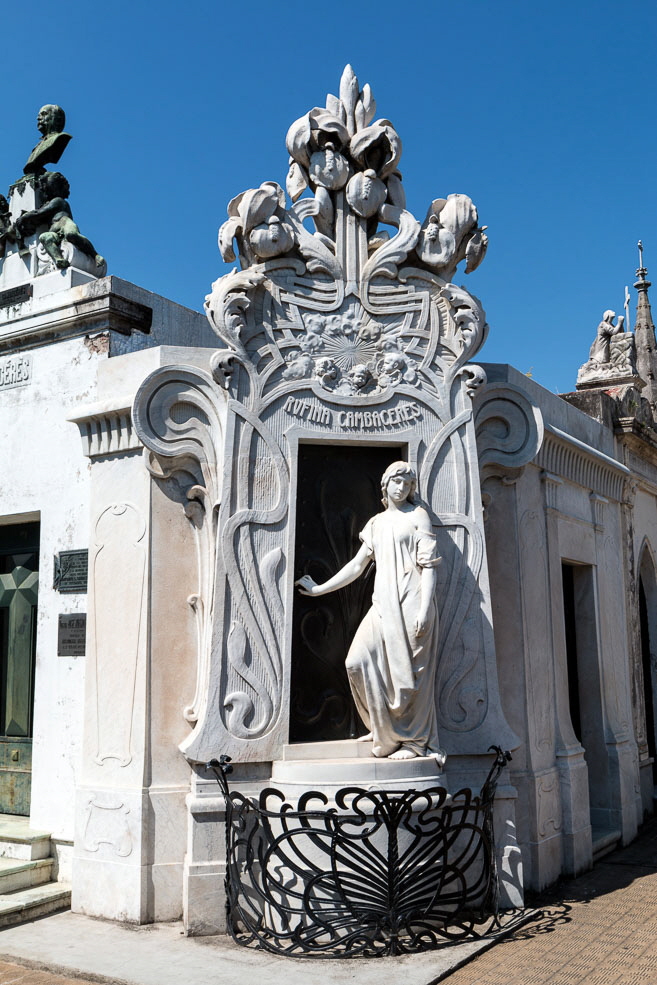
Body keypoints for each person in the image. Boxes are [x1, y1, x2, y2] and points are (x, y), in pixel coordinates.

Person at [296, 461, 442, 759]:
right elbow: (357, 566)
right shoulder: (376, 523)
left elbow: (428, 567)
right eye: (396, 482)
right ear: (385, 486)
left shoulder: (418, 516)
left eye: (406, 483)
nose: (401, 488)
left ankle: (413, 743)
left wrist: (425, 609)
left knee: (410, 679)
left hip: (412, 600)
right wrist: (319, 589)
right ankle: (381, 727)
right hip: (383, 603)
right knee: (356, 661)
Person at [15, 172, 104, 270]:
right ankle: (59, 259)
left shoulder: (58, 201)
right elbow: (39, 217)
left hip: (64, 223)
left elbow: (39, 213)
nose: (43, 190)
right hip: (53, 229)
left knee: (71, 234)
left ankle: (95, 255)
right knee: (45, 237)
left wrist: (25, 217)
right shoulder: (48, 204)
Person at [23, 105, 72, 176]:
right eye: (39, 115)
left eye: (44, 114)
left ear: (56, 119)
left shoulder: (59, 138)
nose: (38, 118)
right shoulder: (38, 145)